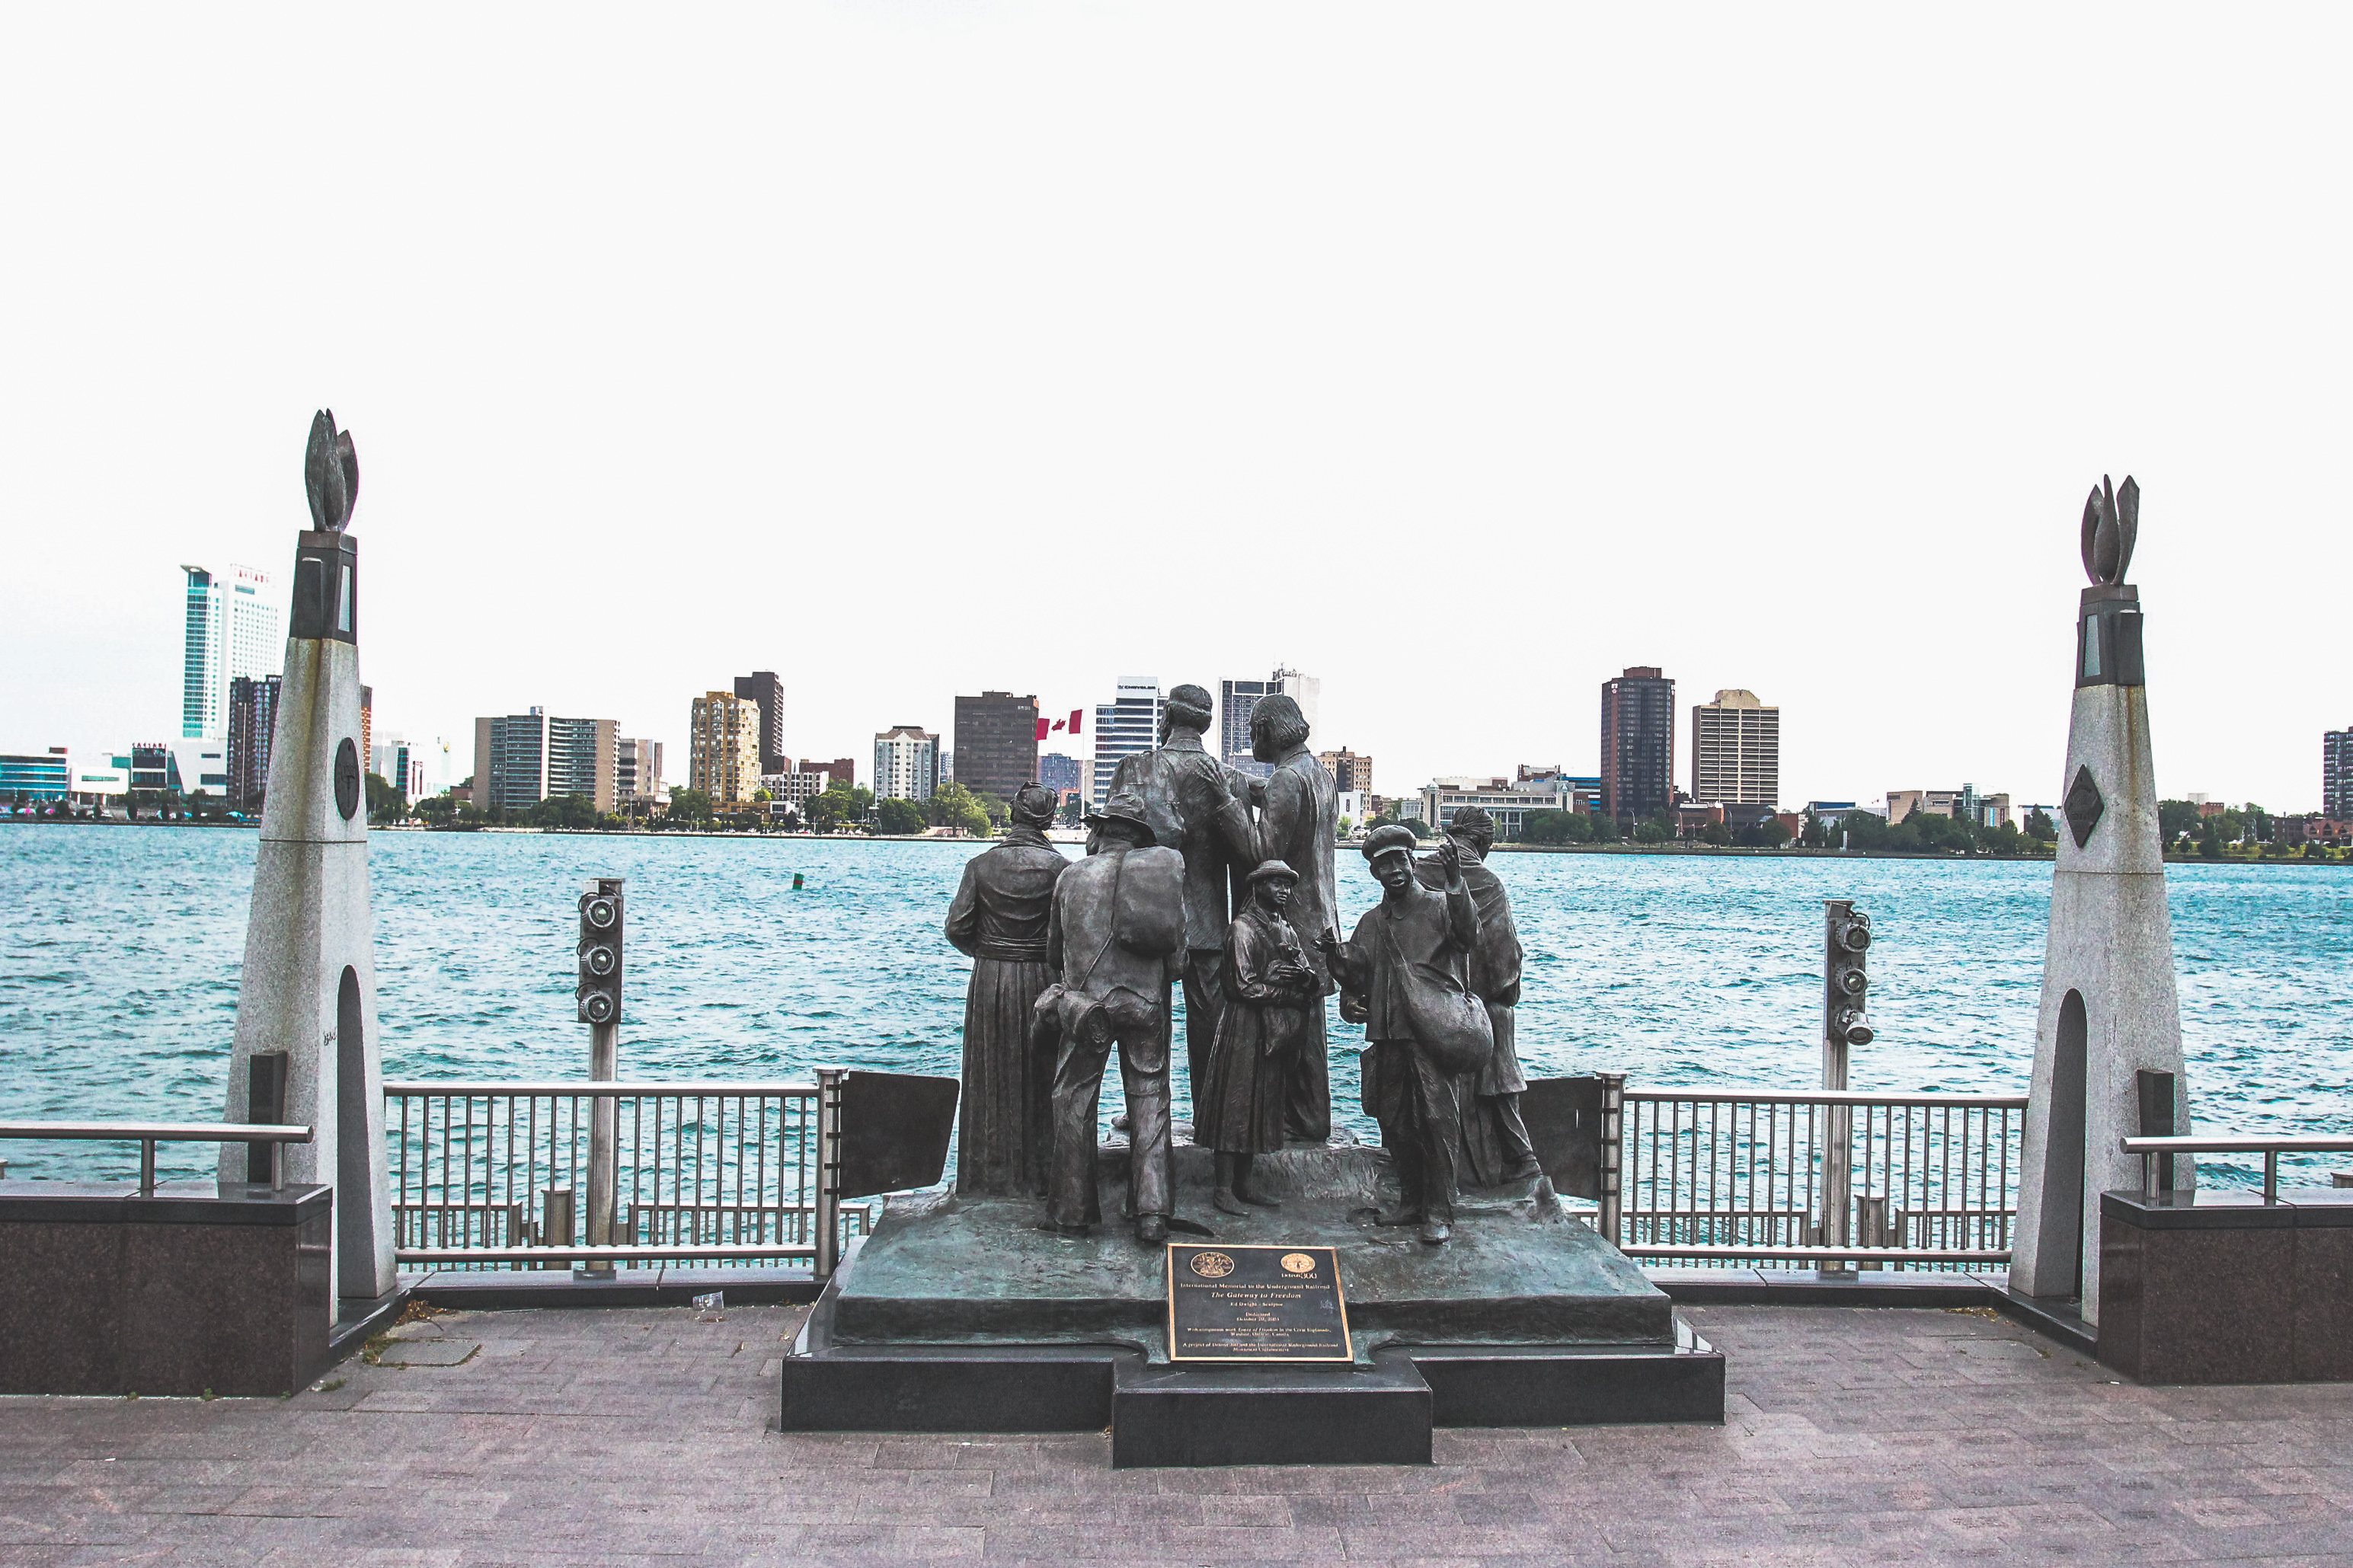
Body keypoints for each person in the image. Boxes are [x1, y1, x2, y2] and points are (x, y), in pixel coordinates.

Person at [1322, 824, 1481, 1244]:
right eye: (1382, 864)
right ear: (1374, 873)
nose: (1392, 870)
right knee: (1392, 1121)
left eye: (1398, 861)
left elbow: (1469, 937)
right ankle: (1411, 1200)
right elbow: (1357, 978)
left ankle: (1441, 1210)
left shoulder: (1438, 907)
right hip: (1388, 1034)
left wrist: (1456, 884)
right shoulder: (1371, 923)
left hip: (1431, 1034)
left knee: (1437, 1119)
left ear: (1411, 863)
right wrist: (1340, 975)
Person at [1041, 788, 1184, 1244]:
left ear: (1099, 832)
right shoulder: (1159, 880)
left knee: (1074, 1099)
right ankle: (1152, 1213)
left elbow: (1052, 955)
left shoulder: (1070, 878)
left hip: (1089, 1011)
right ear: (1139, 838)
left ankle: (1071, 1213)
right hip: (1147, 1005)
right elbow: (1178, 963)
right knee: (1150, 1099)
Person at [1108, 683, 1258, 1110]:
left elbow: (1107, 849)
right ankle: (1209, 1117)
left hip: (1146, 920)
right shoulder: (1228, 778)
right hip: (1210, 925)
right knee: (1209, 1029)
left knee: (1146, 1026)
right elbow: (1245, 863)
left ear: (1167, 718)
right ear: (1207, 724)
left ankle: (1146, 1116)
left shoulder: (1135, 767)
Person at [942, 782, 1068, 1196]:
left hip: (990, 981)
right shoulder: (1063, 870)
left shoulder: (980, 866)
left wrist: (990, 952)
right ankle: (1040, 1178)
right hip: (1041, 980)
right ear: (1048, 821)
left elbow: (957, 928)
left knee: (987, 1075)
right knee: (1043, 1075)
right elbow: (1071, 935)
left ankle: (984, 1179)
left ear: (1013, 813)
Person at [1415, 807, 1542, 1186]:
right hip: (1480, 1007)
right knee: (1500, 1079)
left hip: (1426, 1003)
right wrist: (1504, 990)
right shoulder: (1487, 882)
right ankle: (1522, 1158)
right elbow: (1503, 956)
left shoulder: (1418, 873)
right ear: (1484, 842)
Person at [1195, 861, 1319, 1216]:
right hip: (1243, 1027)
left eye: (1288, 884)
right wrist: (1287, 993)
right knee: (1234, 1103)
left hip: (1272, 1030)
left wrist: (1304, 981)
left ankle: (1245, 1183)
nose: (1284, 890)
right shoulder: (1242, 930)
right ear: (1258, 886)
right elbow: (1242, 986)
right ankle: (1223, 1188)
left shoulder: (1287, 929)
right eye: (1276, 883)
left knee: (1261, 1103)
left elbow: (1306, 974)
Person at [1248, 692, 1339, 1142]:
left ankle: (1301, 1119)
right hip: (1323, 921)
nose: (1249, 738)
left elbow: (1266, 855)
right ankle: (1312, 1115)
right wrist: (1246, 789)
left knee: (1289, 1032)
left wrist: (1231, 811)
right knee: (1310, 1033)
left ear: (1268, 730)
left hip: (1293, 926)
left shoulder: (1286, 779)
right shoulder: (1319, 775)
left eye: (1252, 729)